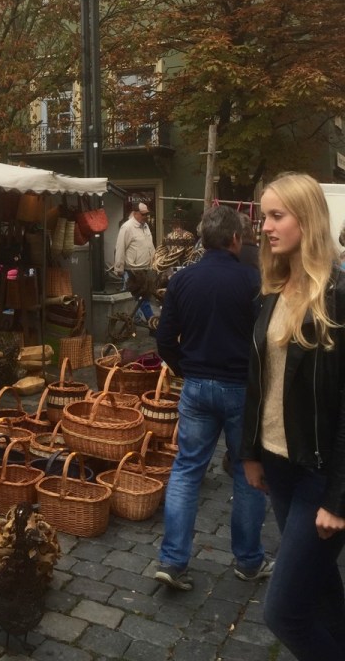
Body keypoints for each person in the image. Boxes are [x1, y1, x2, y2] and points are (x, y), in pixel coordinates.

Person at [241, 173, 345, 660]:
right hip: (278, 467)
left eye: (276, 216)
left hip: (318, 476)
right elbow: (257, 383)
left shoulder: (337, 296)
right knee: (321, 588)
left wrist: (339, 497)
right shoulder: (271, 292)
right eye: (264, 216)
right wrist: (250, 454)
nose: (265, 226)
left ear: (307, 220)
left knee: (283, 613)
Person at [155, 204, 271, 590]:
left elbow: (164, 338)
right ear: (236, 239)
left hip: (197, 386)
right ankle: (249, 561)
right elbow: (267, 341)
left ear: (205, 240)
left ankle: (172, 562)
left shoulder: (182, 280)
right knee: (247, 472)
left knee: (187, 470)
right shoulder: (254, 280)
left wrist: (184, 369)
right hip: (242, 389)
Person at [114, 202, 156, 323]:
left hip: (145, 268)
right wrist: (119, 268)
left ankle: (136, 320)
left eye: (147, 214)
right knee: (141, 297)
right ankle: (151, 321)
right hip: (133, 270)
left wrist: (154, 261)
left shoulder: (145, 226)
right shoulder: (127, 227)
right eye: (143, 214)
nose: (146, 217)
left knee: (141, 297)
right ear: (135, 213)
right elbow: (120, 248)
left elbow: (150, 246)